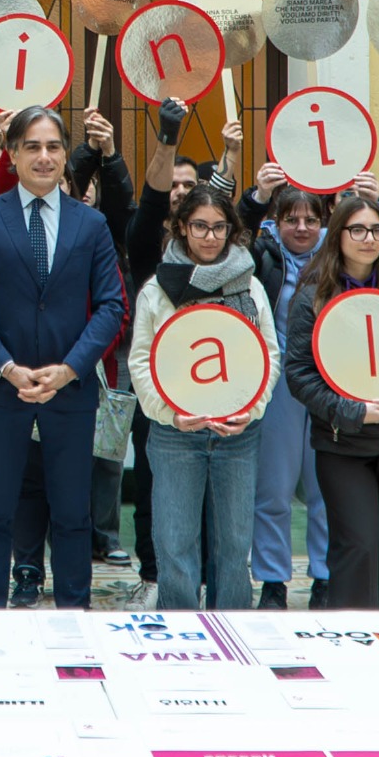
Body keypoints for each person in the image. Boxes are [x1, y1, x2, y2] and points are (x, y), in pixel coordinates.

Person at [0, 106, 126, 611]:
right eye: (32, 146)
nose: (44, 157)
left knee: (73, 515)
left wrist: (70, 367)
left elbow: (112, 304)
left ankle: (74, 619)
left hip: (69, 390)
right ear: (12, 154)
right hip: (1, 390)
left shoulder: (91, 224)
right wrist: (6, 367)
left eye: (53, 147)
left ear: (64, 155)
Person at [284, 194, 379, 610]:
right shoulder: (313, 298)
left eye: (376, 230)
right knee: (358, 546)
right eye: (357, 229)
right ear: (337, 236)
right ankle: (353, 637)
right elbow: (299, 375)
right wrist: (352, 411)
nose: (368, 239)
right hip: (343, 445)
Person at [129, 186, 277, 611]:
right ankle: (180, 632)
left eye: (219, 227)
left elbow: (268, 353)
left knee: (233, 547)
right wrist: (170, 414)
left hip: (238, 435)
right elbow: (141, 361)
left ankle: (234, 630)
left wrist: (252, 410)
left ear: (231, 231)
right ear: (181, 228)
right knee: (174, 544)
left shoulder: (248, 286)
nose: (210, 237)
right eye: (199, 227)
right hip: (175, 435)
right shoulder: (158, 290)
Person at [242, 174, 336, 609]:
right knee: (274, 491)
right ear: (276, 222)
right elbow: (235, 234)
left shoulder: (340, 257)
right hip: (278, 382)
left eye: (310, 219)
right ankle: (273, 580)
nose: (301, 227)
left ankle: (324, 577)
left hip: (326, 383)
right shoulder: (261, 254)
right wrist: (257, 196)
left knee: (325, 489)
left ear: (324, 222)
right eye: (291, 219)